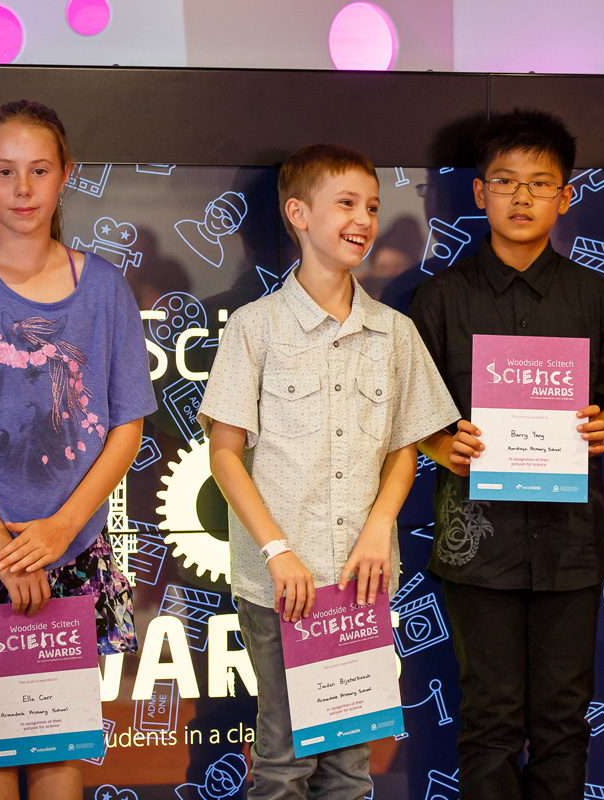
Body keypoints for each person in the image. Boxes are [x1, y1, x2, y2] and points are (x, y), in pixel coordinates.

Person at [0, 100, 155, 800]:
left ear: (65, 175)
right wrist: (3, 548)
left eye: (38, 170)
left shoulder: (103, 288)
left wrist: (61, 530)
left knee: (59, 738)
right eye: (5, 171)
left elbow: (127, 426)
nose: (22, 188)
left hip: (72, 542)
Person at [197, 144, 458, 799]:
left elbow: (406, 446)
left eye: (371, 206)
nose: (363, 219)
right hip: (284, 586)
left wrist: (379, 529)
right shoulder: (255, 329)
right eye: (345, 203)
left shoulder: (394, 332)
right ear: (297, 214)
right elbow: (225, 455)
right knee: (285, 763)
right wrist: (278, 550)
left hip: (360, 585)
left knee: (350, 767)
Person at [408, 110, 604, 800]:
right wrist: (438, 442)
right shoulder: (440, 299)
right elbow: (409, 412)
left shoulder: (593, 297)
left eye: (539, 184)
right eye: (505, 182)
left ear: (565, 196)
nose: (521, 198)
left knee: (564, 722)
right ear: (479, 193)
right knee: (489, 721)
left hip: (569, 545)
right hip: (475, 543)